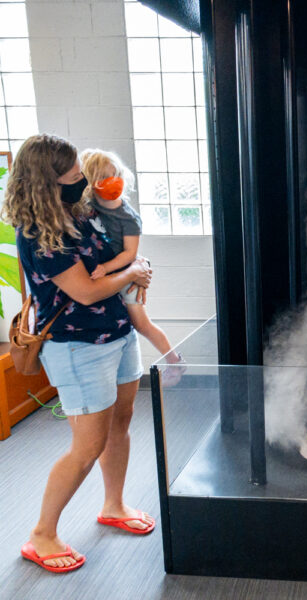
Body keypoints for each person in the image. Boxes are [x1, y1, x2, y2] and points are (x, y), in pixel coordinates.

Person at [1, 134, 154, 574]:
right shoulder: (37, 233)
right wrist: (133, 270)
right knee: (87, 446)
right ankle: (41, 534)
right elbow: (85, 291)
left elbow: (114, 260)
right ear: (44, 183)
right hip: (78, 348)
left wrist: (136, 269)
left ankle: (114, 504)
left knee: (120, 423)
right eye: (71, 177)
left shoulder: (79, 212)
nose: (79, 181)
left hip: (118, 334)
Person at [80, 148, 186, 386]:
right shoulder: (87, 208)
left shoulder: (127, 216)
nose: (113, 181)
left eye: (116, 174)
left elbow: (130, 253)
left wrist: (107, 268)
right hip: (105, 281)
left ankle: (174, 360)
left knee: (140, 323)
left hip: (123, 273)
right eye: (104, 177)